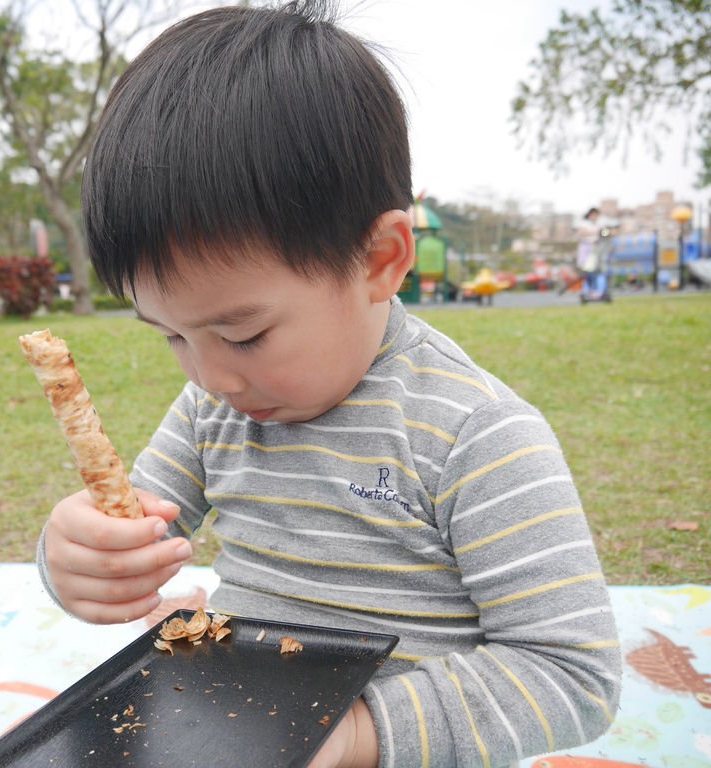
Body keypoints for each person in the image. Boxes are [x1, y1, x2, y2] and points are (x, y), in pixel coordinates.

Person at [36, 3, 622, 766]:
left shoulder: (474, 435)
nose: (211, 375)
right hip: (235, 735)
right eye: (174, 336)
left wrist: (356, 737)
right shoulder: (215, 410)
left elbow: (573, 675)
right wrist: (75, 558)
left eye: (244, 333)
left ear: (381, 259)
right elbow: (142, 538)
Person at [577, 207, 613, 302]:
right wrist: (596, 232)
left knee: (601, 272)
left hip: (599, 250)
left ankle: (600, 292)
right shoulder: (584, 224)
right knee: (589, 273)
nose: (594, 216)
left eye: (596, 215)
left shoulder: (600, 224)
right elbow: (582, 232)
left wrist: (603, 232)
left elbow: (607, 233)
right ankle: (588, 292)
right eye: (593, 214)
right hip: (588, 251)